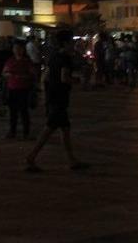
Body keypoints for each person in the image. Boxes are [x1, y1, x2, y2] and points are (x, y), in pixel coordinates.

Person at [25, 30, 89, 173]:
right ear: (65, 43)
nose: (73, 44)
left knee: (64, 129)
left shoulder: (53, 57)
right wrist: (77, 80)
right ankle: (31, 157)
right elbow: (64, 78)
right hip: (59, 98)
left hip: (53, 96)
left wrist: (44, 94)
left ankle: (71, 159)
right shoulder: (65, 58)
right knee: (49, 129)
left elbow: (46, 76)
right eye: (71, 42)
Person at [2, 42, 34, 140]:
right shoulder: (10, 61)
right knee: (13, 112)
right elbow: (4, 72)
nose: (17, 50)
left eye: (19, 48)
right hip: (12, 88)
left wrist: (23, 77)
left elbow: (33, 74)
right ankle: (13, 131)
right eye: (15, 48)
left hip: (24, 89)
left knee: (24, 111)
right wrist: (9, 75)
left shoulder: (27, 61)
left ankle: (26, 132)